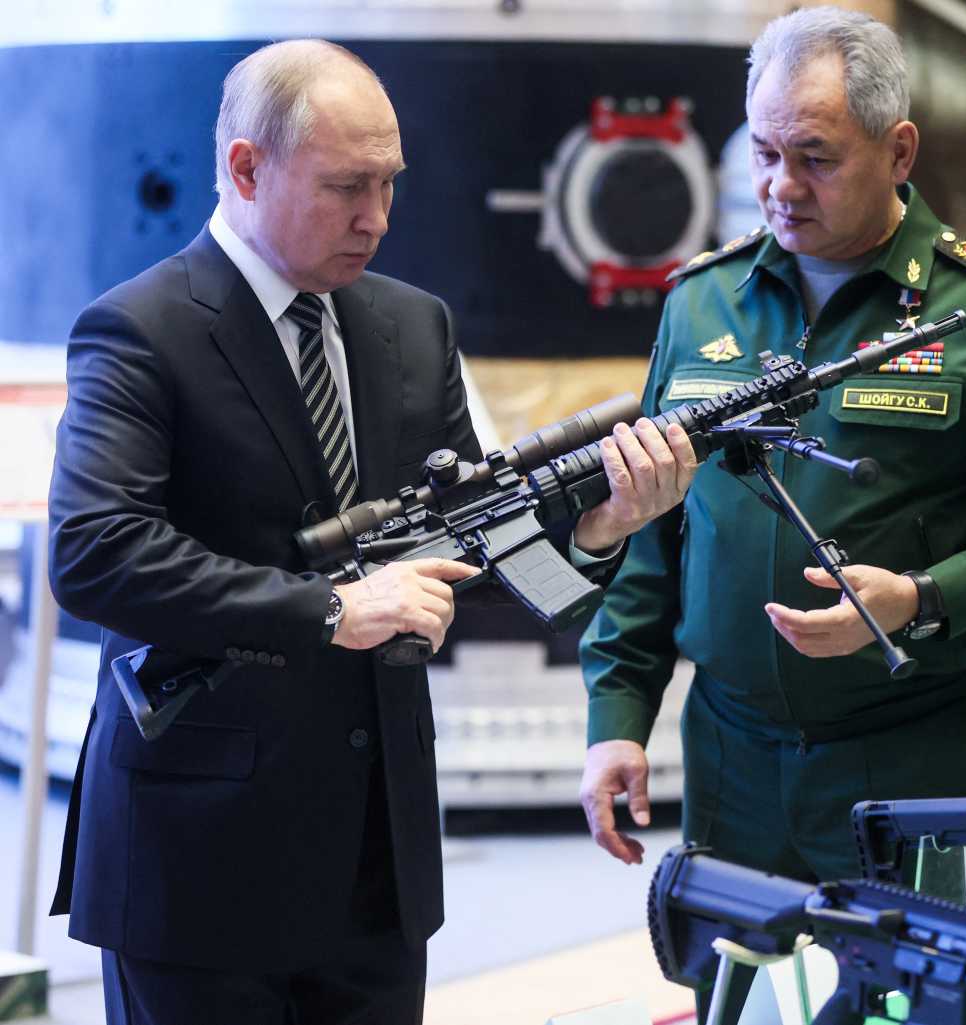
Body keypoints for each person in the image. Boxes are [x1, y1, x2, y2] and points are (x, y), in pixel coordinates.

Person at [47, 40, 696, 1025]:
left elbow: (463, 548)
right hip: (197, 862)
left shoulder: (412, 325)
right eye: (347, 186)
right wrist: (329, 608)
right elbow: (97, 554)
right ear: (245, 169)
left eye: (390, 183)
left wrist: (604, 525)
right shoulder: (141, 329)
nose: (378, 219)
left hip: (374, 867)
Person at [578, 6, 966, 906]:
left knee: (908, 1002)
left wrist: (922, 599)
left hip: (912, 754)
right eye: (764, 153)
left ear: (899, 153)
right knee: (737, 997)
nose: (781, 186)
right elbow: (655, 525)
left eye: (816, 158)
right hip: (730, 757)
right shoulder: (703, 303)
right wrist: (617, 715)